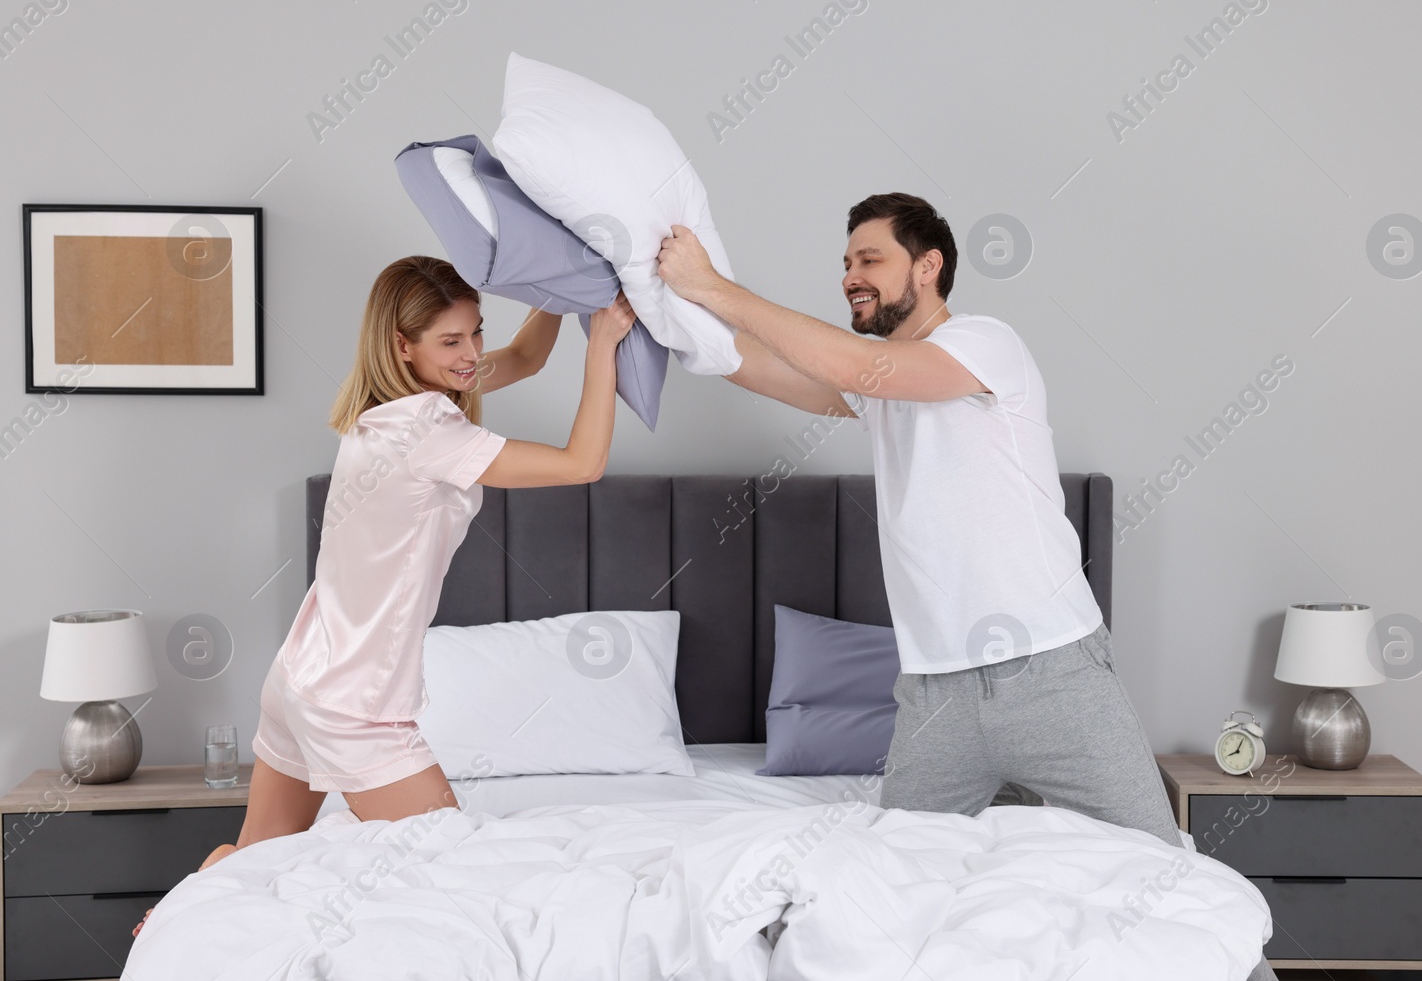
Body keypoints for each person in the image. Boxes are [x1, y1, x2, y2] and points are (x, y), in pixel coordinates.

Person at [657, 194, 1277, 980]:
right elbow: (767, 367)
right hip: (936, 703)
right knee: (888, 893)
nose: (850, 276)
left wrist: (714, 286)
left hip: (1052, 676)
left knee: (1166, 881)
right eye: (845, 263)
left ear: (929, 265)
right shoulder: (884, 388)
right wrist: (669, 312)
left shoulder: (984, 344)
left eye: (869, 259)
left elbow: (853, 364)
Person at [133, 255, 635, 938]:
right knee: (452, 864)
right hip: (353, 705)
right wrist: (604, 342)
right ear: (404, 345)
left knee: (258, 853)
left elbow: (524, 356)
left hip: (299, 677)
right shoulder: (429, 428)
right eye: (451, 341)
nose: (472, 354)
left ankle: (199, 897)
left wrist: (560, 287)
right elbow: (585, 463)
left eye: (474, 333)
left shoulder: (386, 407)